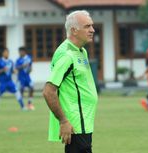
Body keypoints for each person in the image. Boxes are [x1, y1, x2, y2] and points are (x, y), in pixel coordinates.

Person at [43, 10, 98, 153]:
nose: (92, 30)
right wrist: (63, 121)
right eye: (87, 26)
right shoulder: (67, 55)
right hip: (75, 123)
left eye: (91, 26)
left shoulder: (81, 51)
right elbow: (49, 91)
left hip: (84, 121)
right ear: (74, 30)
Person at [0, 48, 25, 112]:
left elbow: (12, 70)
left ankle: (23, 107)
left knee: (17, 92)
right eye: (6, 52)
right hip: (1, 82)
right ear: (3, 53)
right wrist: (2, 70)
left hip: (9, 82)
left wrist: (14, 71)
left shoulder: (10, 61)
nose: (7, 53)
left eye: (8, 52)